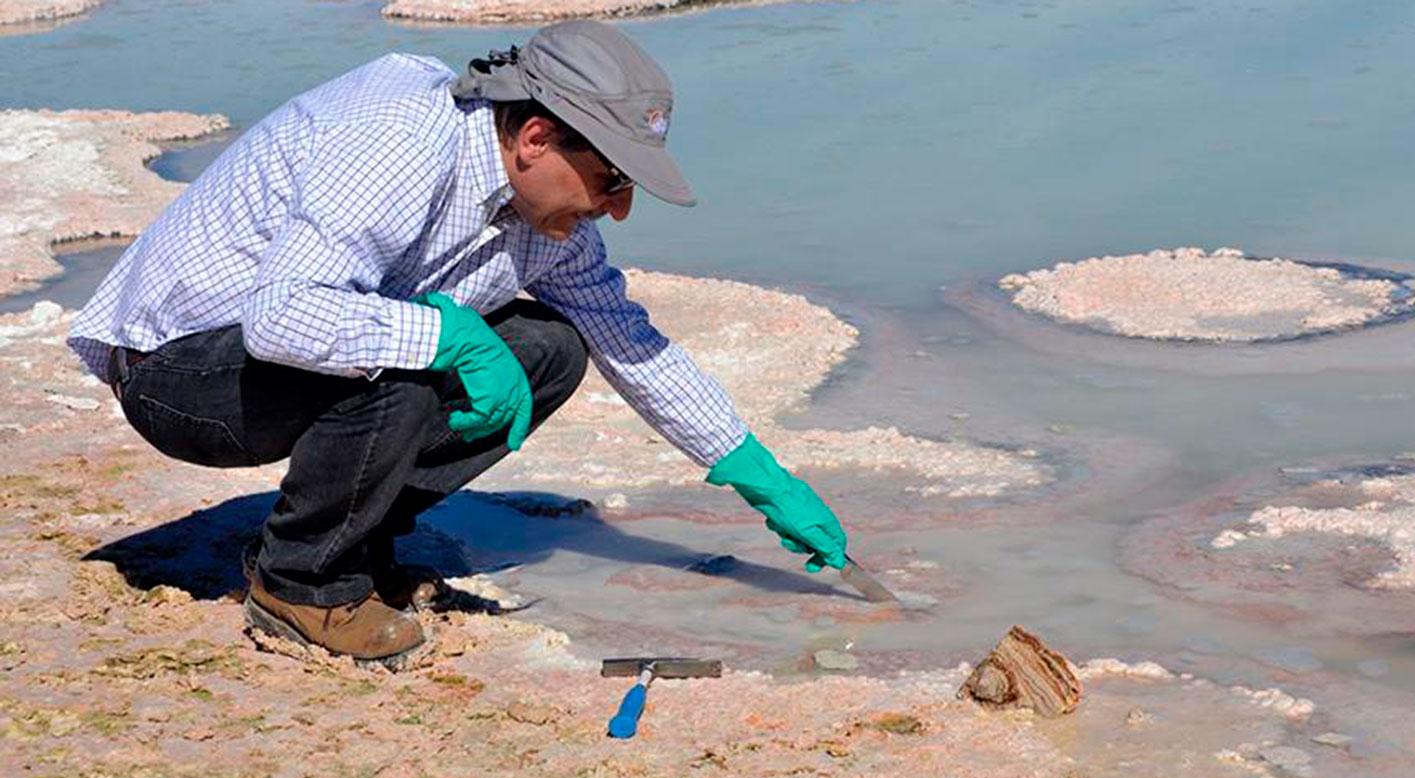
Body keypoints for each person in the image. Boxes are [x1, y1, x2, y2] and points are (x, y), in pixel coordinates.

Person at [66, 21, 849, 666]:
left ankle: (357, 537)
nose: (619, 210)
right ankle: (301, 584)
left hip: (291, 361)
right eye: (612, 178)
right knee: (407, 365)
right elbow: (282, 318)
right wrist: (449, 334)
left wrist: (753, 469)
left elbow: (630, 344)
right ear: (536, 135)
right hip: (182, 372)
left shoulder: (547, 219)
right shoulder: (399, 143)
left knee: (551, 349)